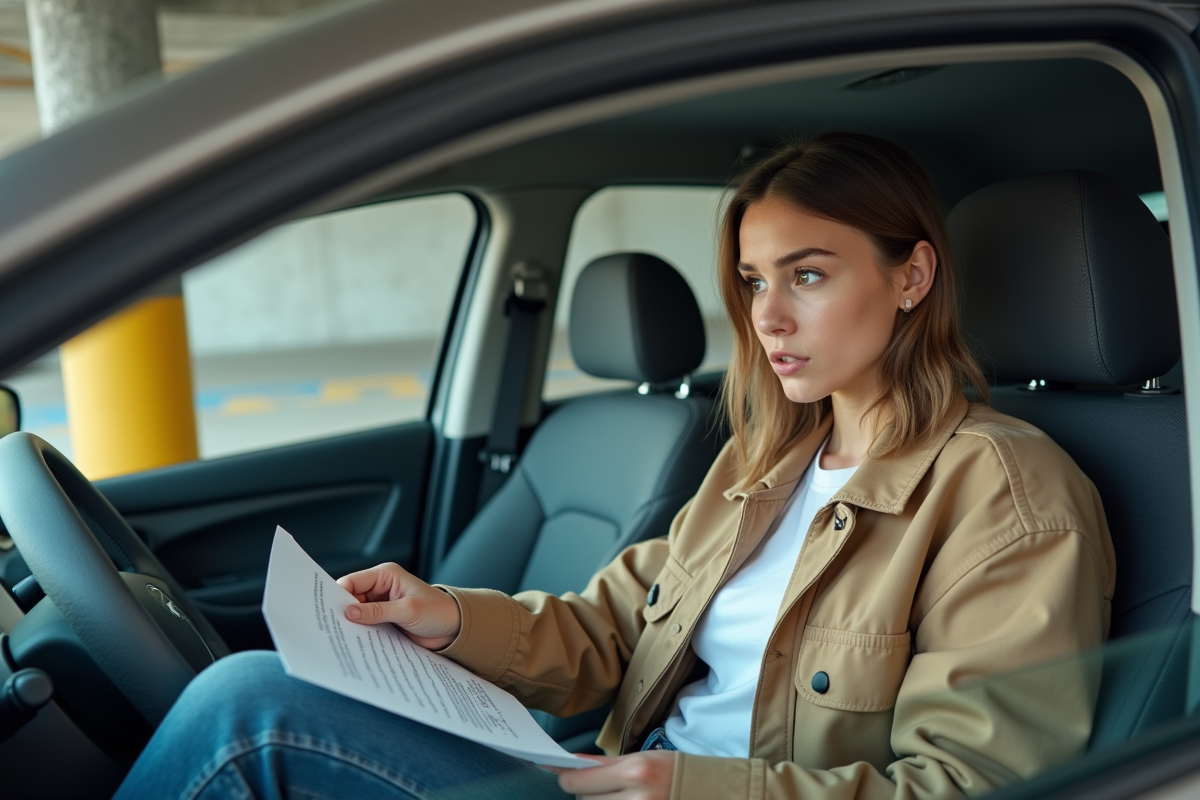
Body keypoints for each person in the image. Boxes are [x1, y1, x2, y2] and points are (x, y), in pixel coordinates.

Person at [114, 133, 1114, 800]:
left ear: (912, 276)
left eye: (808, 274)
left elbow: (975, 784)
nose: (766, 315)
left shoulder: (1007, 495)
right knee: (263, 684)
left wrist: (691, 785)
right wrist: (447, 615)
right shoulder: (764, 458)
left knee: (247, 710)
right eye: (756, 281)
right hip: (599, 777)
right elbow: (616, 626)